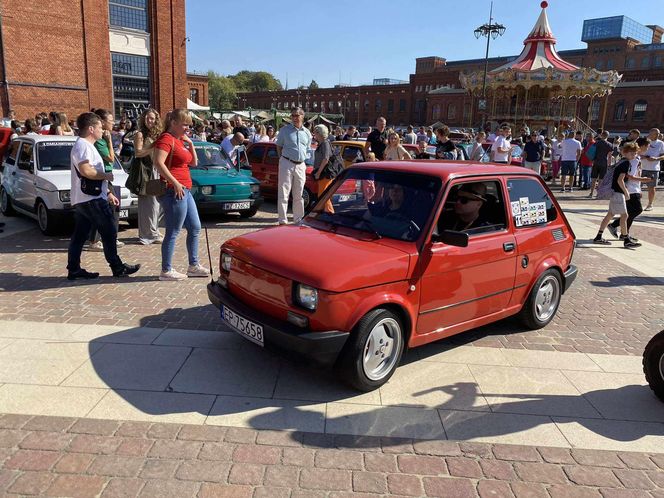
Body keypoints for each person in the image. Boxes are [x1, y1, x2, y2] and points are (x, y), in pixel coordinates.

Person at [67, 112, 140, 280]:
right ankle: (117, 267)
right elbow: (86, 171)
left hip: (85, 198)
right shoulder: (83, 145)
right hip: (91, 199)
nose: (102, 130)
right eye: (99, 127)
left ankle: (74, 268)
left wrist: (106, 191)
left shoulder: (85, 145)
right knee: (109, 232)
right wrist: (105, 176)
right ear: (91, 129)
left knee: (80, 235)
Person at [153, 109, 209, 281]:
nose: (187, 128)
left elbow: (193, 162)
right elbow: (158, 163)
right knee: (173, 231)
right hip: (174, 191)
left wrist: (190, 144)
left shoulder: (179, 141)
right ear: (173, 123)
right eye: (185, 124)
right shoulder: (166, 139)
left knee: (195, 227)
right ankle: (166, 270)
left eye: (189, 125)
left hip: (185, 190)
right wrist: (175, 183)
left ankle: (193, 265)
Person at [593, 141, 641, 248]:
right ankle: (626, 239)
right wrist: (626, 192)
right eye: (631, 153)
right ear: (625, 152)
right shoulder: (626, 163)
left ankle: (599, 236)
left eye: (635, 153)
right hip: (618, 192)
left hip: (614, 191)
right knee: (624, 215)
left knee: (610, 214)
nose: (633, 155)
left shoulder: (621, 162)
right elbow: (620, 180)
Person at [87, 109, 123, 251]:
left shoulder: (102, 139)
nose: (113, 123)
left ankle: (111, 237)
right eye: (110, 120)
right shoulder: (100, 141)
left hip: (106, 177)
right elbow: (111, 158)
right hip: (101, 177)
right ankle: (94, 241)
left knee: (113, 206)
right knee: (102, 209)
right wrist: (109, 141)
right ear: (102, 122)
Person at [606, 137, 650, 242]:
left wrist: (640, 188)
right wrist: (643, 180)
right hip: (630, 188)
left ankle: (624, 233)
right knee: (636, 210)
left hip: (635, 188)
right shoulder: (633, 160)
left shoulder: (637, 159)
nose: (648, 148)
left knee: (631, 212)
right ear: (641, 146)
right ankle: (617, 228)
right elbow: (629, 176)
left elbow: (635, 174)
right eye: (647, 146)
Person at [275, 107, 312, 225]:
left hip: (301, 165)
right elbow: (279, 146)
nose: (295, 118)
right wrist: (282, 159)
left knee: (299, 194)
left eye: (297, 115)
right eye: (293, 115)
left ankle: (298, 219)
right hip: (287, 163)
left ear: (302, 116)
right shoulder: (284, 130)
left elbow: (307, 149)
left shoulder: (307, 133)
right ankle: (282, 220)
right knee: (283, 192)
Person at [134, 108, 164, 245]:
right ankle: (147, 234)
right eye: (147, 118)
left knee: (158, 204)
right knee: (148, 204)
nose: (149, 121)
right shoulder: (140, 134)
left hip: (157, 170)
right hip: (147, 172)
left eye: (152, 118)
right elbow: (138, 153)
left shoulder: (157, 134)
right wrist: (153, 146)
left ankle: (154, 230)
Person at [312, 124, 334, 214]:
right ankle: (325, 212)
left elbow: (325, 159)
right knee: (322, 194)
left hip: (325, 174)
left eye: (315, 132)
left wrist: (318, 172)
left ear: (320, 133)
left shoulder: (325, 143)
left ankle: (330, 213)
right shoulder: (322, 143)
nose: (314, 135)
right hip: (322, 174)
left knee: (323, 195)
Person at [641, 128, 664, 211]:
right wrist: (643, 157)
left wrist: (656, 158)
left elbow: (663, 155)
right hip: (641, 167)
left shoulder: (661, 143)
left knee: (651, 187)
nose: (657, 135)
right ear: (650, 133)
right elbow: (636, 152)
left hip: (653, 168)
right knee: (637, 186)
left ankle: (650, 204)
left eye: (658, 133)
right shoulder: (643, 141)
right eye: (655, 133)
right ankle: (636, 203)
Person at [589, 130, 613, 198]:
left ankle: (591, 193)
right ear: (608, 136)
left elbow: (592, 152)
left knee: (593, 178)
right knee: (601, 179)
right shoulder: (610, 144)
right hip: (604, 163)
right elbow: (609, 156)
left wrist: (592, 160)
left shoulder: (596, 143)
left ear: (601, 135)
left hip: (596, 162)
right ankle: (598, 194)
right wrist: (609, 164)